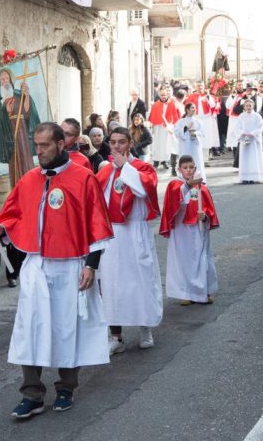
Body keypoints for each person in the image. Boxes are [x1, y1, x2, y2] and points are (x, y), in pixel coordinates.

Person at [0, 123, 114, 418]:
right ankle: (31, 394)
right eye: (36, 145)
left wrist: (91, 265)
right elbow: (13, 214)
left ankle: (66, 387)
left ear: (60, 144)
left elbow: (97, 222)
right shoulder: (29, 179)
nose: (39, 151)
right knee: (29, 327)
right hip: (36, 264)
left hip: (71, 264)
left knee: (67, 327)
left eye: (44, 145)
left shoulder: (83, 178)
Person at [95, 127, 163, 354]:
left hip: (135, 232)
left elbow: (144, 189)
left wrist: (125, 167)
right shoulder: (105, 171)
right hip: (112, 236)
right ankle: (116, 336)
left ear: (130, 144)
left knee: (141, 281)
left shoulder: (142, 168)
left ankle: (145, 328)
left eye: (121, 142)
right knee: (111, 284)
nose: (116, 146)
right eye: (113, 142)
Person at [160, 155, 219, 305]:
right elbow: (173, 202)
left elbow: (209, 211)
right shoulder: (174, 185)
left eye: (191, 167)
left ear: (195, 168)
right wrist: (187, 185)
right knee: (184, 261)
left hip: (198, 230)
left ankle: (204, 290)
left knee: (201, 259)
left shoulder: (202, 187)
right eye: (185, 168)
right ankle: (186, 292)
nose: (188, 170)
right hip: (181, 231)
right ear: (179, 169)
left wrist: (204, 217)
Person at [0, 68, 41, 187]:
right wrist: (6, 110)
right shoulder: (0, 100)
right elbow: (1, 120)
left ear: (10, 80)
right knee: (14, 158)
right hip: (9, 132)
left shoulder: (18, 94)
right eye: (2, 79)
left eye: (6, 78)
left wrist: (26, 95)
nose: (4, 81)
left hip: (22, 129)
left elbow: (27, 112)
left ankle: (30, 184)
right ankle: (17, 186)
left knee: (24, 155)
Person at [233, 99, 263, 184]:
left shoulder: (257, 116)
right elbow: (237, 127)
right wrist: (243, 133)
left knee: (254, 158)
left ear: (253, 106)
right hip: (245, 139)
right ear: (244, 107)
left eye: (250, 106)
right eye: (247, 106)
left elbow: (260, 127)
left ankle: (254, 177)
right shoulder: (241, 116)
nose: (248, 107)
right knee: (245, 159)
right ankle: (245, 178)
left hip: (254, 141)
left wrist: (253, 133)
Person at [148, 88, 180, 171]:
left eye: (164, 95)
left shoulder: (172, 104)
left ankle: (165, 161)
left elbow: (175, 115)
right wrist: (152, 125)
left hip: (167, 127)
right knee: (157, 143)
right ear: (159, 95)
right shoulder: (155, 104)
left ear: (167, 95)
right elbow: (152, 115)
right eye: (162, 95)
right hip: (158, 126)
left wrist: (174, 126)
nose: (163, 96)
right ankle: (156, 161)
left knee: (166, 144)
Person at [187, 82, 219, 160]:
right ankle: (196, 158)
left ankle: (205, 158)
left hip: (206, 119)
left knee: (206, 138)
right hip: (195, 119)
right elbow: (187, 107)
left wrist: (208, 96)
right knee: (195, 138)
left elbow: (212, 105)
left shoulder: (208, 96)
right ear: (195, 87)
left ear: (204, 87)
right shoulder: (191, 96)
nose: (200, 87)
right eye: (198, 85)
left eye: (201, 85)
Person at [174, 103, 206, 182]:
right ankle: (185, 180)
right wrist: (185, 128)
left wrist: (195, 133)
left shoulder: (198, 121)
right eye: (192, 108)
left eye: (195, 108)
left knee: (196, 161)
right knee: (185, 161)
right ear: (187, 110)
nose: (194, 109)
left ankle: (198, 178)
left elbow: (203, 133)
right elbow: (177, 133)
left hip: (195, 146)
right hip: (185, 146)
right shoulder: (181, 121)